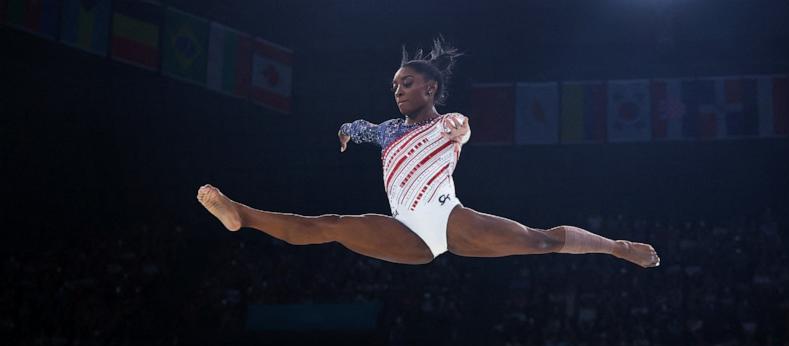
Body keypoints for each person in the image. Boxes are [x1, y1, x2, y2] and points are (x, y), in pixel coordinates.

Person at [197, 39, 660, 268]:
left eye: (406, 83)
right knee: (331, 227)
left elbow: (462, 130)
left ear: (430, 87)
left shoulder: (444, 123)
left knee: (539, 240)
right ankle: (240, 213)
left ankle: (616, 248)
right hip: (404, 231)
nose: (397, 90)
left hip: (447, 219)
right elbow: (359, 127)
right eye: (394, 85)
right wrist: (344, 131)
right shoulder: (386, 131)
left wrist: (460, 130)